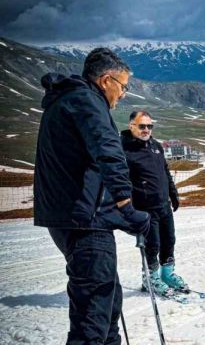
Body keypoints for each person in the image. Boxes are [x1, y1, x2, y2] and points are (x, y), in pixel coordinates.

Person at [34, 48, 150, 345]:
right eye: (123, 86)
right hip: (86, 224)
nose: (123, 94)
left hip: (73, 217)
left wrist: (115, 214)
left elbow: (82, 170)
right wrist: (125, 205)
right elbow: (108, 152)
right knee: (93, 318)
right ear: (106, 80)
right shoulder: (87, 101)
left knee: (108, 303)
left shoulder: (67, 100)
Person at [121, 110, 185, 296]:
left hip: (163, 205)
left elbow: (164, 172)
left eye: (150, 126)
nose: (146, 129)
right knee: (152, 244)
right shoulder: (124, 149)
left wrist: (173, 194)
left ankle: (167, 274)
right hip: (145, 208)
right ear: (131, 125)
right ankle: (150, 279)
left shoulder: (156, 146)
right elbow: (120, 180)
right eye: (142, 126)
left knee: (169, 240)